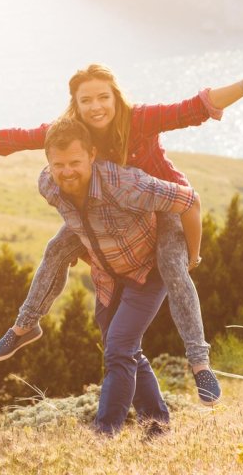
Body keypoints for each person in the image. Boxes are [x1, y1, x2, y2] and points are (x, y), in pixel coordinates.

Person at [0, 51, 243, 405]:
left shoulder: (141, 119)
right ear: (75, 103)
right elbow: (20, 137)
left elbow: (196, 107)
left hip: (160, 207)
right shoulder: (72, 133)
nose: (95, 106)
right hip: (105, 211)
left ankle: (199, 363)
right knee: (56, 249)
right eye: (85, 100)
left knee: (172, 267)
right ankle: (25, 327)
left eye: (103, 97)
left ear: (115, 95)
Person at [39, 117, 196, 436]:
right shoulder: (49, 185)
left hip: (149, 269)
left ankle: (104, 433)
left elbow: (187, 199)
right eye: (59, 164)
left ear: (92, 155)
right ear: (48, 164)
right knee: (127, 350)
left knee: (119, 350)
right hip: (110, 277)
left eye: (75, 162)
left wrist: (190, 256)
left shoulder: (123, 183)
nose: (67, 171)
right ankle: (158, 427)